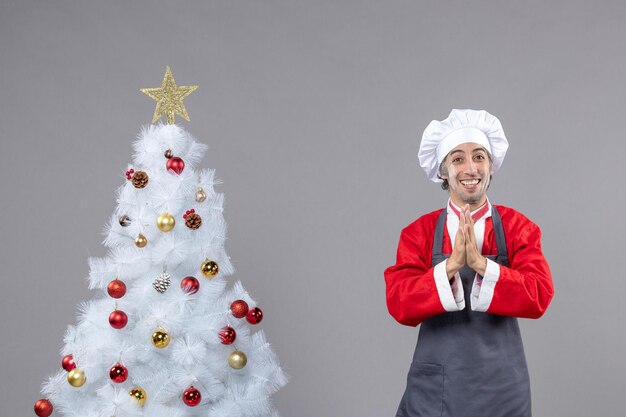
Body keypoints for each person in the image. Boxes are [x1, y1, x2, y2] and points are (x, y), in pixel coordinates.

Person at [384, 109, 554, 417]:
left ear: (491, 165)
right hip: (436, 390)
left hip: (502, 390)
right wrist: (450, 266)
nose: (470, 168)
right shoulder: (418, 233)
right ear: (443, 171)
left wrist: (482, 265)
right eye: (458, 159)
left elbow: (539, 294)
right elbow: (399, 302)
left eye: (479, 157)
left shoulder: (519, 228)